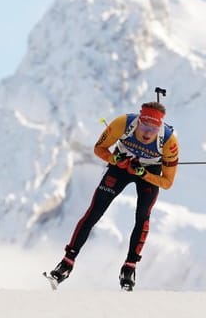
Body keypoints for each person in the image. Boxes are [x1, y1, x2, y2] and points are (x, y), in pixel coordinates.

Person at [47, 101, 179, 290]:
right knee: (94, 212)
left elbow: (167, 182)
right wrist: (114, 159)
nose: (148, 132)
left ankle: (129, 267)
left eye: (154, 128)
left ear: (160, 127)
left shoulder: (169, 141)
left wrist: (144, 174)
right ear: (139, 120)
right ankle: (66, 263)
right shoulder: (122, 124)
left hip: (148, 172)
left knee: (142, 217)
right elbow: (98, 149)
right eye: (144, 126)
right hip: (121, 167)